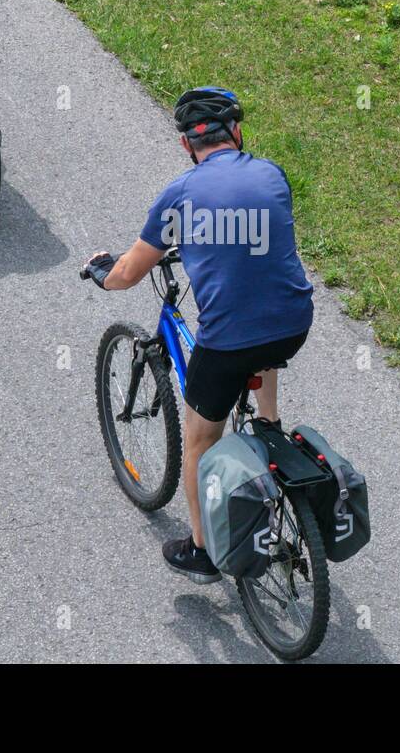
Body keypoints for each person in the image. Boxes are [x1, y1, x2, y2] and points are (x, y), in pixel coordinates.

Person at [84, 88, 315, 584]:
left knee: (200, 438)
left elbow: (128, 272)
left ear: (189, 145)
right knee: (262, 338)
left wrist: (103, 272)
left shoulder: (180, 196)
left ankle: (203, 551)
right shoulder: (272, 174)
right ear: (237, 132)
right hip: (295, 321)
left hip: (229, 341)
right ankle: (268, 427)